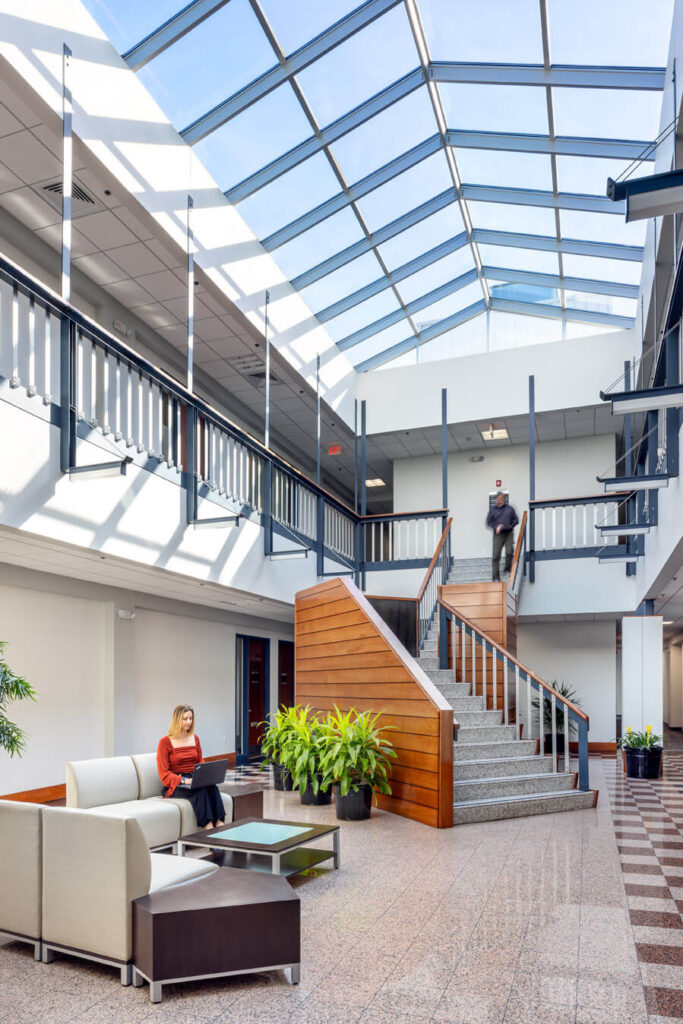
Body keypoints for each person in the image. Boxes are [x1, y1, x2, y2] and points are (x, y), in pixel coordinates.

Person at [157, 704, 225, 830]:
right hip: (176, 784)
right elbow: (164, 774)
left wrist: (207, 775)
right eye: (185, 719)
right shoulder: (164, 742)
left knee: (212, 788)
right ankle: (208, 829)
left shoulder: (195, 738)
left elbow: (200, 761)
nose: (189, 722)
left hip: (195, 778)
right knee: (199, 791)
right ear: (177, 720)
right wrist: (184, 780)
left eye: (191, 718)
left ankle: (220, 825)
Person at [486, 491, 518, 583]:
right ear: (496, 500)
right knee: (496, 555)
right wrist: (496, 527)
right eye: (498, 499)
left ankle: (507, 568)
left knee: (509, 551)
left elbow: (516, 520)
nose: (499, 501)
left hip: (508, 533)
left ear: (504, 500)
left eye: (501, 499)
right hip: (498, 534)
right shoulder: (492, 510)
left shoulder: (510, 509)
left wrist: (509, 526)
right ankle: (495, 577)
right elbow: (488, 522)